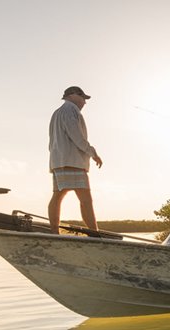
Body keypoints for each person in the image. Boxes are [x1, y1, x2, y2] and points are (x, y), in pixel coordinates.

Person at [48, 86, 102, 234]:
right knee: (86, 200)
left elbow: (51, 141)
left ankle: (54, 232)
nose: (84, 102)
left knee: (57, 196)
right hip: (73, 161)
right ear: (72, 95)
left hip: (59, 161)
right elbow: (76, 136)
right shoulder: (70, 110)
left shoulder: (57, 113)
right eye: (83, 98)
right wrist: (93, 153)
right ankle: (95, 234)